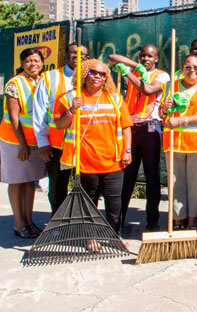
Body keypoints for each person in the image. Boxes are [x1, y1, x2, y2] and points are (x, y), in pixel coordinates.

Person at [54, 59, 132, 245]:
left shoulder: (114, 98)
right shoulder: (70, 97)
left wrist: (127, 150)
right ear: (84, 74)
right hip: (86, 162)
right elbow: (59, 124)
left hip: (113, 161)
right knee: (90, 203)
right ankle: (90, 237)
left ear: (106, 78)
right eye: (93, 72)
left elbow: (126, 126)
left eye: (102, 74)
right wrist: (72, 109)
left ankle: (114, 236)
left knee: (114, 204)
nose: (98, 76)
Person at [108, 44, 170, 231]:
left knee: (152, 177)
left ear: (156, 58)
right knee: (127, 176)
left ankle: (152, 221)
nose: (146, 59)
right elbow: (112, 58)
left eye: (150, 56)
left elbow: (149, 90)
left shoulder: (162, 75)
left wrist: (128, 74)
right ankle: (118, 221)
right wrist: (135, 66)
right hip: (130, 129)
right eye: (143, 56)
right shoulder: (135, 68)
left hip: (150, 130)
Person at [160, 55, 197, 230]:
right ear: (181, 68)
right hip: (174, 142)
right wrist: (164, 108)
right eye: (188, 67)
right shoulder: (170, 87)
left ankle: (193, 220)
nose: (192, 71)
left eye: (196, 67)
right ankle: (178, 219)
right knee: (175, 182)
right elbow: (161, 114)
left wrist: (182, 121)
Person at [33, 43, 89, 216]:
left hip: (85, 143)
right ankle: (58, 221)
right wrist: (42, 142)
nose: (77, 57)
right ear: (66, 55)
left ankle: (79, 220)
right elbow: (40, 111)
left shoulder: (92, 77)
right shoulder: (50, 78)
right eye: (73, 53)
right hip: (58, 144)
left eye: (82, 55)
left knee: (87, 185)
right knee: (58, 186)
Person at [0, 48, 46, 238]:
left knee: (29, 182)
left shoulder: (41, 81)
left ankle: (29, 220)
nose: (32, 64)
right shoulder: (15, 83)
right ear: (22, 63)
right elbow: (13, 116)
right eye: (28, 61)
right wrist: (22, 144)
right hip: (15, 142)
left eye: (36, 60)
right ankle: (19, 223)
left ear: (42, 62)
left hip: (34, 142)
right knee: (17, 182)